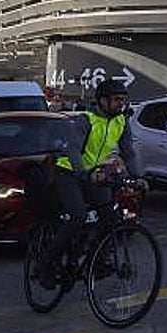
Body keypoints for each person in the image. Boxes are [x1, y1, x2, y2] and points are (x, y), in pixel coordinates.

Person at [39, 78, 142, 287]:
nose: (121, 104)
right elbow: (72, 149)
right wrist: (83, 174)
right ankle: (46, 263)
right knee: (78, 216)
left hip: (95, 175)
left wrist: (139, 177)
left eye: (123, 100)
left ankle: (98, 260)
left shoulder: (121, 122)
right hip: (69, 172)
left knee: (111, 217)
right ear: (103, 101)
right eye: (116, 100)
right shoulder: (86, 120)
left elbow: (129, 152)